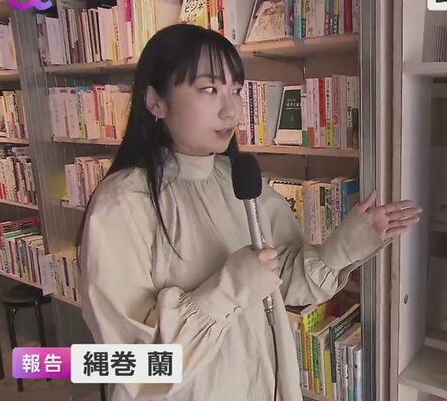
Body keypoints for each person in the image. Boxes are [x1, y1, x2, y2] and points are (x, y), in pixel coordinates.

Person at [78, 24, 421, 401]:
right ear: (155, 101)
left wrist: (343, 247)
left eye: (237, 90)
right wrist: (227, 290)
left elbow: (282, 282)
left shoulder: (237, 179)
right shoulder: (121, 204)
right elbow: (132, 364)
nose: (231, 110)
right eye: (209, 89)